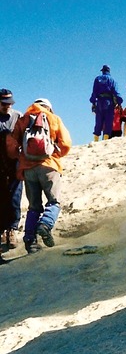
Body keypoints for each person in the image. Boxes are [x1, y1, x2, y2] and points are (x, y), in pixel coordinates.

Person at [7, 98, 71, 254]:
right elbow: (66, 143)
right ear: (49, 107)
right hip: (49, 166)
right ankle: (45, 224)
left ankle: (30, 241)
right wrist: (55, 154)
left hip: (28, 169)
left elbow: (11, 144)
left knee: (34, 206)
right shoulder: (54, 118)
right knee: (53, 201)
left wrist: (21, 157)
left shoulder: (23, 119)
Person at [0, 89, 23, 251]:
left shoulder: (17, 116)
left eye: (10, 103)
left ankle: (12, 229)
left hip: (15, 160)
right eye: (4, 104)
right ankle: (2, 231)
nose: (7, 106)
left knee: (15, 195)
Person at [89, 65, 123, 141]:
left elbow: (94, 92)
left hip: (100, 101)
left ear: (103, 71)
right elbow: (116, 92)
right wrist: (119, 102)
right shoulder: (112, 80)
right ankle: (105, 139)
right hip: (109, 102)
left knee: (98, 120)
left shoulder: (97, 79)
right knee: (108, 120)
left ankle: (96, 139)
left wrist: (93, 102)